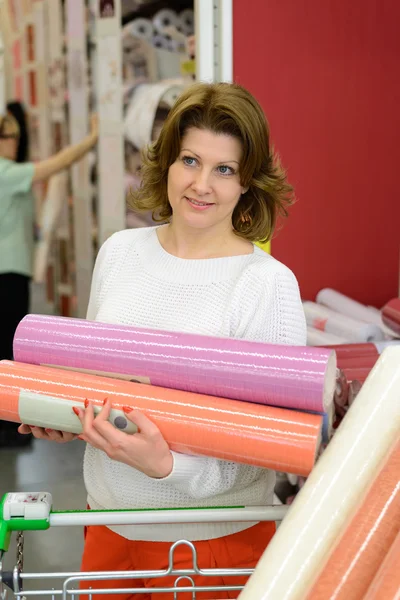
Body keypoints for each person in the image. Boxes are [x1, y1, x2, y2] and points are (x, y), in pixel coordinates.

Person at [19, 82, 306, 599]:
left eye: (224, 169)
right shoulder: (120, 253)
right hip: (106, 530)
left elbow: (273, 448)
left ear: (248, 182)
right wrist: (68, 418)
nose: (201, 184)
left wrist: (169, 467)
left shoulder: (266, 284)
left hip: (209, 547)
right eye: (190, 160)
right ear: (167, 163)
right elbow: (94, 378)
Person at [0, 105, 98, 447]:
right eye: (10, 135)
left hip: (11, 269)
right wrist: (93, 139)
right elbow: (56, 165)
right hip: (7, 272)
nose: (16, 141)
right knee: (8, 350)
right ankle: (9, 427)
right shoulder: (6, 171)